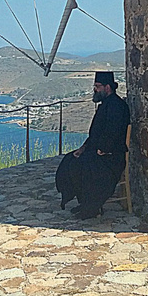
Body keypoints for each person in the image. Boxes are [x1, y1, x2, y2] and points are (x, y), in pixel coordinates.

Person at [55, 71, 130, 219]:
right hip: (100, 151)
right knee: (71, 160)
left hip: (111, 156)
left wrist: (103, 149)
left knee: (85, 167)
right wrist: (82, 149)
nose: (94, 89)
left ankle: (92, 207)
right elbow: (96, 134)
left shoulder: (116, 106)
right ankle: (86, 203)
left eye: (97, 86)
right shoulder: (106, 105)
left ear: (107, 87)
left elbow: (113, 132)